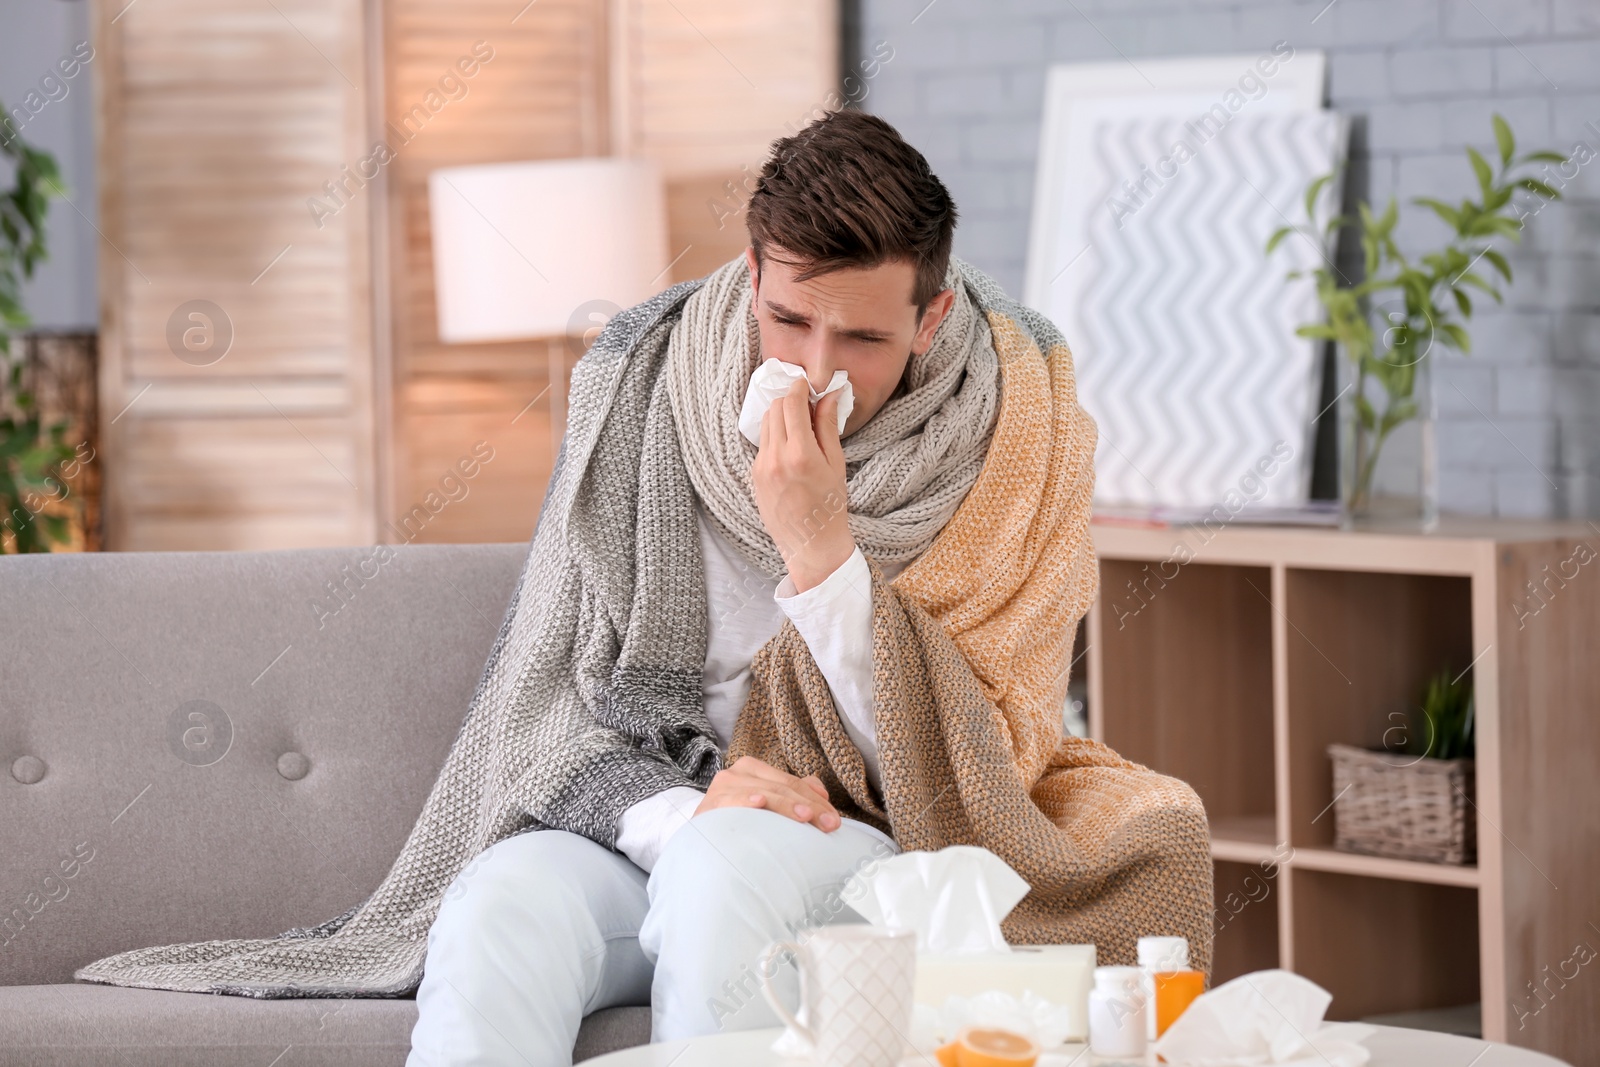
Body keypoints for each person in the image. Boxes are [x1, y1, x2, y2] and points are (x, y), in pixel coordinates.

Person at [406, 107, 975, 1064]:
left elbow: (941, 770)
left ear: (932, 319)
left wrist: (820, 546)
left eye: (864, 339)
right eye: (789, 319)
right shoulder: (644, 388)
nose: (815, 368)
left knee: (721, 865)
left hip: (859, 841)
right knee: (499, 900)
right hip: (672, 823)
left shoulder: (985, 439)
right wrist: (687, 809)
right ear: (752, 277)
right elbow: (557, 701)